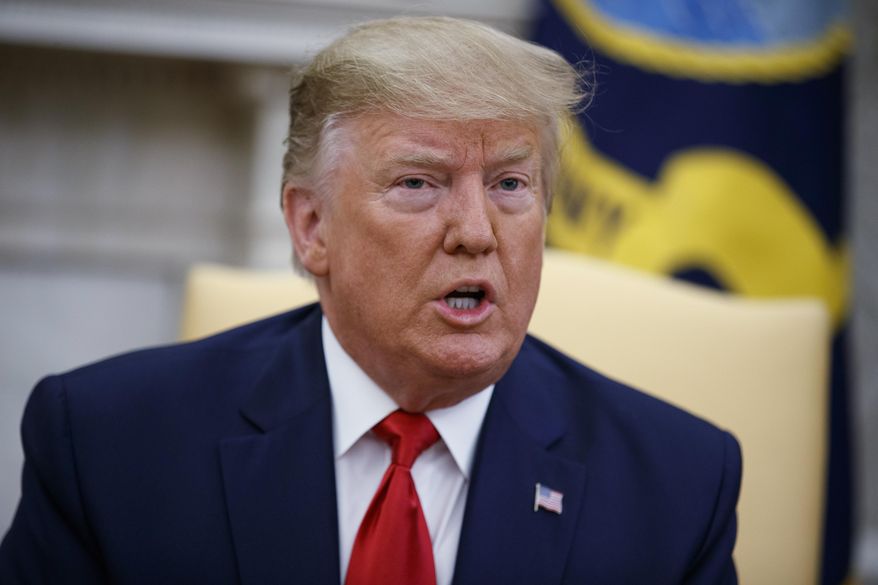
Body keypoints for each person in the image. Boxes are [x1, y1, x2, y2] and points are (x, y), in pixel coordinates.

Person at [0, 16, 741, 585]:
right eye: (418, 183)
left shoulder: (675, 485)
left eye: (510, 184)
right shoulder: (106, 445)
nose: (477, 233)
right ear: (311, 224)